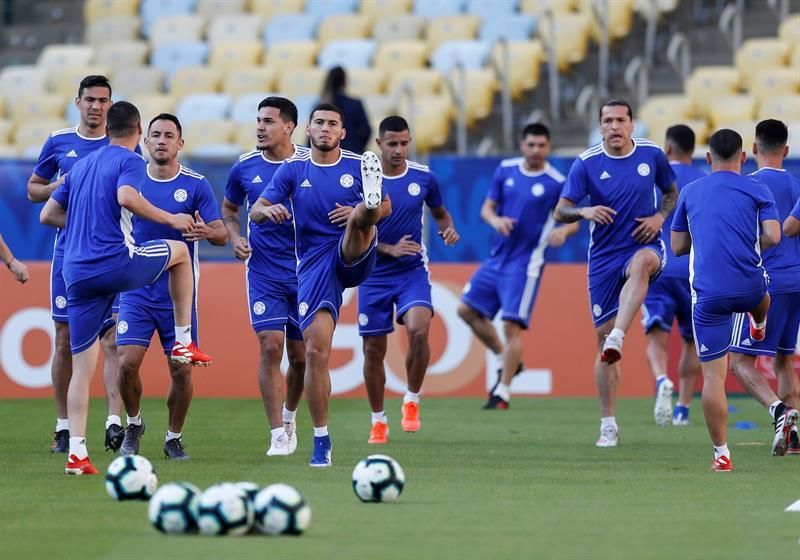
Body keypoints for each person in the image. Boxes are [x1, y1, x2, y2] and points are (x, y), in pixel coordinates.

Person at [39, 101, 211, 475]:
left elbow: (47, 214)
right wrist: (171, 218)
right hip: (115, 263)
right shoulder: (130, 160)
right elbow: (127, 198)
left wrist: (86, 217)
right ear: (138, 130)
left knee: (82, 370)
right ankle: (183, 338)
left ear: (107, 128)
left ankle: (77, 454)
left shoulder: (80, 166)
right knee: (181, 252)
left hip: (76, 273)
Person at [250, 103, 390, 467]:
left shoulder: (358, 164)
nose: (326, 129)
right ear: (308, 131)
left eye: (333, 124)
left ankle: (363, 208)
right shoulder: (293, 170)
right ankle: (321, 440)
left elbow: (388, 207)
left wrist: (366, 209)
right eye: (319, 123)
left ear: (342, 133)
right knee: (314, 353)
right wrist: (269, 211)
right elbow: (255, 210)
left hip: (354, 250)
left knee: (361, 218)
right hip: (314, 266)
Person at [555, 100, 678, 447]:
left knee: (642, 264)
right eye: (607, 121)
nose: (614, 127)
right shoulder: (587, 163)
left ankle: (619, 336)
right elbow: (561, 211)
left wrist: (659, 219)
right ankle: (608, 422)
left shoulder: (652, 155)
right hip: (604, 257)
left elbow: (670, 192)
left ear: (632, 124)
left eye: (620, 120)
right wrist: (585, 210)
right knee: (601, 339)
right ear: (600, 125)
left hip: (645, 245)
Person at [671, 128, 790, 472]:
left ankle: (721, 453)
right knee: (762, 295)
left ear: (708, 158)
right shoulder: (758, 187)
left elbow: (678, 247)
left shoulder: (691, 191)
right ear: (743, 157)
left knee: (713, 377)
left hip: (708, 295)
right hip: (749, 285)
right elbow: (773, 235)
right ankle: (759, 321)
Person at [115, 114, 227, 460]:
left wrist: (205, 232)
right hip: (135, 290)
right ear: (144, 142)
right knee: (126, 363)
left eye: (169, 136)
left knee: (181, 370)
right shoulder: (130, 182)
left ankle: (173, 437)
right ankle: (134, 424)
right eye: (155, 135)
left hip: (178, 298)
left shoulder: (196, 185)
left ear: (180, 144)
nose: (161, 140)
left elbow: (221, 233)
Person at [27, 75, 127, 454]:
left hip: (111, 255)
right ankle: (64, 426)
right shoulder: (59, 142)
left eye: (103, 100)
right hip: (68, 255)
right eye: (90, 99)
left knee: (113, 338)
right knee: (65, 340)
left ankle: (113, 421)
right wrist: (59, 186)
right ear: (78, 102)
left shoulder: (120, 144)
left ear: (110, 105)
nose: (96, 106)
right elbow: (34, 190)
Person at [458, 123, 578, 409]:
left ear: (548, 148)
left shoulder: (555, 181)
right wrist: (495, 220)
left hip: (525, 264)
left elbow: (572, 217)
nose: (536, 150)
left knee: (512, 326)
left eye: (541, 145)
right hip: (496, 258)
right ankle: (505, 359)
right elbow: (486, 208)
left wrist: (563, 231)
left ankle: (503, 391)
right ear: (522, 145)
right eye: (531, 144)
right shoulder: (506, 170)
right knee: (465, 310)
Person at [358, 115, 459, 444]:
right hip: (371, 271)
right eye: (392, 144)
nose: (399, 150)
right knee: (374, 349)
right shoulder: (363, 180)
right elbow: (354, 227)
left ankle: (412, 399)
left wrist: (447, 229)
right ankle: (378, 421)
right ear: (379, 144)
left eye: (404, 143)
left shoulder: (423, 178)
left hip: (411, 269)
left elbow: (440, 212)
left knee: (419, 330)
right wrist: (388, 247)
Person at [222, 97, 308, 457]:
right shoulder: (244, 167)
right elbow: (229, 209)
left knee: (302, 358)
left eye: (269, 121)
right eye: (258, 120)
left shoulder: (310, 163)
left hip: (308, 271)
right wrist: (235, 236)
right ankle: (276, 434)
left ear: (288, 127)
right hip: (264, 270)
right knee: (271, 346)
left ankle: (290, 416)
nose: (260, 127)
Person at [727, 119, 800, 455]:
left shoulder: (745, 187)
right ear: (785, 150)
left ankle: (779, 411)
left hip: (767, 284)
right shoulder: (797, 185)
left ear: (754, 149)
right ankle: (794, 434)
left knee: (740, 362)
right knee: (785, 360)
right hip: (797, 281)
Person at [640, 125, 705, 427]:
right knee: (692, 343)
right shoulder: (705, 183)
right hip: (693, 272)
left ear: (667, 149)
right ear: (694, 150)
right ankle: (682, 409)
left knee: (656, 335)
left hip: (659, 268)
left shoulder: (653, 183)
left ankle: (661, 379)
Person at [320, 67, 371, 154]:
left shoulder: (320, 106)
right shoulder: (355, 104)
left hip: (326, 155)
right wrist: (358, 147)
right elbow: (367, 131)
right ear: (344, 81)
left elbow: (312, 135)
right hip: (352, 152)